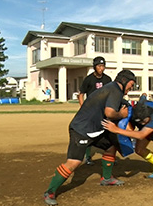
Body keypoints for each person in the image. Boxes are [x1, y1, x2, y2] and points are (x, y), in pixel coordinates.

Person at [43, 70, 136, 206]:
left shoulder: (112, 88)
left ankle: (107, 178)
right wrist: (121, 115)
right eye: (131, 84)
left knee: (111, 146)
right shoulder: (115, 90)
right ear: (124, 80)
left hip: (95, 130)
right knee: (74, 162)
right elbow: (109, 113)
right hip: (81, 130)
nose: (131, 88)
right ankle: (50, 192)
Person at [78, 56, 112, 165]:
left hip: (104, 110)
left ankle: (110, 157)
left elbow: (112, 94)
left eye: (103, 66)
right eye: (99, 66)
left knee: (108, 132)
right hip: (91, 111)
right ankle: (87, 156)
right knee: (90, 133)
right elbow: (81, 94)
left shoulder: (107, 79)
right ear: (94, 67)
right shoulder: (89, 79)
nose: (101, 68)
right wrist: (83, 107)